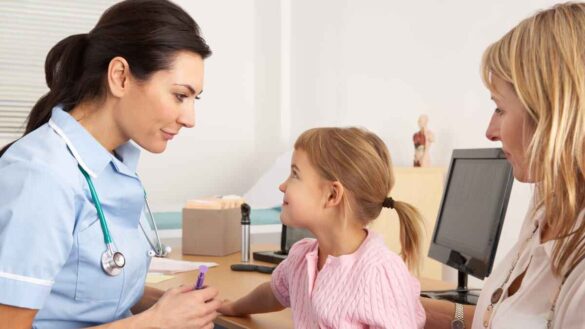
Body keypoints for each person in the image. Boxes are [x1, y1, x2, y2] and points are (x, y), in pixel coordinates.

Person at [0, 1, 221, 328]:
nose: (189, 119)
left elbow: (81, 291)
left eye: (194, 99)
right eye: (179, 95)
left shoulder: (113, 166)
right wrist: (154, 323)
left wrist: (164, 303)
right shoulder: (44, 175)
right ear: (120, 77)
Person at [422, 3, 585, 328]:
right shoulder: (546, 210)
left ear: (549, 114)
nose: (489, 131)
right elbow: (499, 319)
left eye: (499, 109)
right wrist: (414, 308)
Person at [219, 127, 427, 328]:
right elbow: (273, 294)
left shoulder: (379, 273)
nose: (282, 186)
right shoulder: (302, 256)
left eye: (295, 174)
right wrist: (234, 307)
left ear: (332, 195)